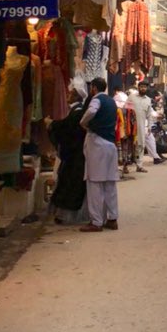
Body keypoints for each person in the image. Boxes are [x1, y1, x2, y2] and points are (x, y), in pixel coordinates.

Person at [79, 78, 120, 233]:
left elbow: (91, 111)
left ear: (94, 88)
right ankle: (112, 218)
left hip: (97, 144)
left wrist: (83, 122)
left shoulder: (97, 100)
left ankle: (96, 222)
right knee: (110, 183)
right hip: (110, 144)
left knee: (94, 183)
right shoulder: (111, 101)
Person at [48, 89, 87, 224]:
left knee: (70, 184)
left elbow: (67, 128)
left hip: (75, 155)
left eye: (70, 94)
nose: (67, 96)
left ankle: (66, 216)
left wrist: (52, 124)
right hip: (74, 154)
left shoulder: (77, 113)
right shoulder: (75, 111)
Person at [127, 82, 162, 168]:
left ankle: (139, 165)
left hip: (142, 126)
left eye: (145, 87)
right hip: (131, 125)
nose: (143, 89)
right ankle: (126, 165)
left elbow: (149, 115)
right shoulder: (132, 97)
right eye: (141, 87)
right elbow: (126, 109)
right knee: (129, 145)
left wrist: (149, 126)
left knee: (141, 145)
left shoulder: (148, 100)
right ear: (138, 88)